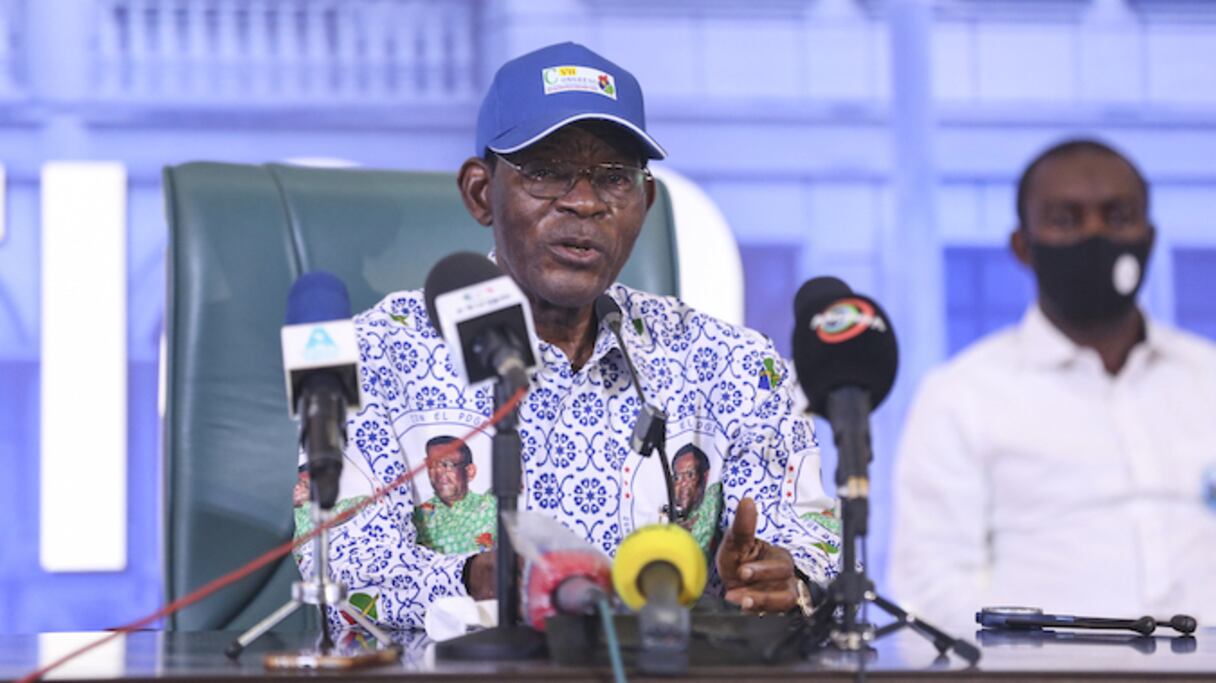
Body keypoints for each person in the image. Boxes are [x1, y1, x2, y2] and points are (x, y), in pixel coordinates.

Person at [295, 41, 839, 629]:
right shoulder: (379, 354)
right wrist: (478, 577)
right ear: (480, 192)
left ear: (644, 202)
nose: (584, 202)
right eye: (547, 172)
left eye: (614, 179)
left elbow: (815, 543)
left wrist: (780, 578)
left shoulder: (734, 363)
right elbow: (338, 564)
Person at [888, 139, 1216, 627]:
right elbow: (930, 586)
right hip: (1045, 665)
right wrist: (1031, 654)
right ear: (1023, 246)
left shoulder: (1206, 376)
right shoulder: (962, 395)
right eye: (1065, 219)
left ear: (1149, 235)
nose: (1096, 235)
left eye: (1119, 216)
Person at [413, 436, 496, 554]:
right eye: (431, 464)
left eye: (447, 465)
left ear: (470, 472)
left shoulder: (492, 506)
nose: (438, 472)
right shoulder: (416, 519)